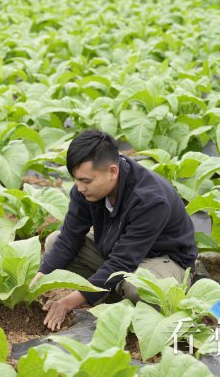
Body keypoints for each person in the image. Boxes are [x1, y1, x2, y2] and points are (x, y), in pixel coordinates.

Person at [32, 130, 198, 330]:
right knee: (53, 242)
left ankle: (124, 287)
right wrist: (35, 284)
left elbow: (122, 262)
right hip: (120, 250)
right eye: (76, 179)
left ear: (112, 171)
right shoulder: (85, 190)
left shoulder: (150, 199)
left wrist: (66, 303)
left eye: (86, 181)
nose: (79, 187)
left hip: (162, 258)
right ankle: (110, 287)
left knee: (139, 288)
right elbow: (69, 239)